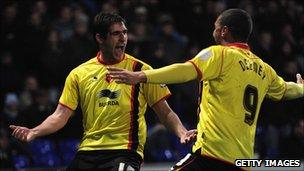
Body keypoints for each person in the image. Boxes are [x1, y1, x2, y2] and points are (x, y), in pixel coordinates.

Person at [108, 9, 304, 170]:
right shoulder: (265, 70)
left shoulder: (219, 55)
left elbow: (185, 71)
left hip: (211, 155)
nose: (214, 30)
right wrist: (302, 88)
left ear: (224, 31)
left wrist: (141, 76)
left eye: (216, 27)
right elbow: (287, 90)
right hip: (242, 162)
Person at [9, 12, 197, 171]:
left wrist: (181, 133)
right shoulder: (79, 74)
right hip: (88, 151)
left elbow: (165, 112)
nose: (123, 38)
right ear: (100, 38)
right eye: (116, 34)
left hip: (125, 151)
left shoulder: (141, 70)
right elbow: (60, 116)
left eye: (124, 32)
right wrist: (35, 131)